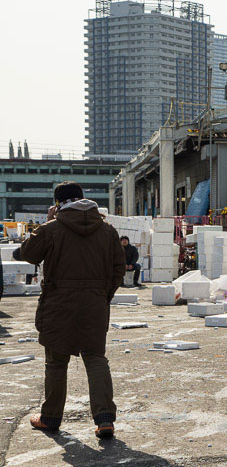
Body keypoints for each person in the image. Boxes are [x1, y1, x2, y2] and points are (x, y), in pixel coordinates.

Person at [12, 181, 126, 438]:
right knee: (96, 358)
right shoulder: (107, 230)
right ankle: (104, 419)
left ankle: (50, 418)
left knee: (56, 362)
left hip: (58, 303)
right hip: (95, 303)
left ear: (57, 203)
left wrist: (45, 224)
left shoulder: (52, 229)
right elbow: (120, 267)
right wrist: (103, 294)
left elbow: (27, 254)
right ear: (83, 200)